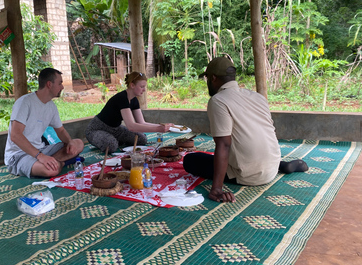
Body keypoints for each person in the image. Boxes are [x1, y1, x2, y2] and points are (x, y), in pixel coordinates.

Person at [183, 56, 308, 203]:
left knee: (190, 160)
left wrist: (217, 189)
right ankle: (283, 165)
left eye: (208, 79)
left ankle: (269, 167)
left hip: (250, 176)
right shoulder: (257, 96)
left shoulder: (218, 100)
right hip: (272, 166)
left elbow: (224, 144)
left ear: (214, 78)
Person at [4, 68, 84, 178]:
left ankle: (53, 162)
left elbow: (60, 130)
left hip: (41, 150)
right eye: (60, 83)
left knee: (78, 143)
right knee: (50, 171)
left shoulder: (51, 106)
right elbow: (15, 136)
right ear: (49, 84)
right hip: (19, 155)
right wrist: (40, 156)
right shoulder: (25, 102)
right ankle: (59, 163)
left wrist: (69, 142)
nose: (62, 87)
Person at [85, 72, 173, 153]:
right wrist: (158, 129)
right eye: (142, 87)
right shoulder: (122, 98)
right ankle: (111, 140)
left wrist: (162, 126)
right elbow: (131, 127)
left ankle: (114, 139)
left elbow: (142, 122)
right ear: (132, 85)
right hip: (96, 129)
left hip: (115, 129)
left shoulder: (134, 100)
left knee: (141, 139)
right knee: (111, 146)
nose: (144, 90)